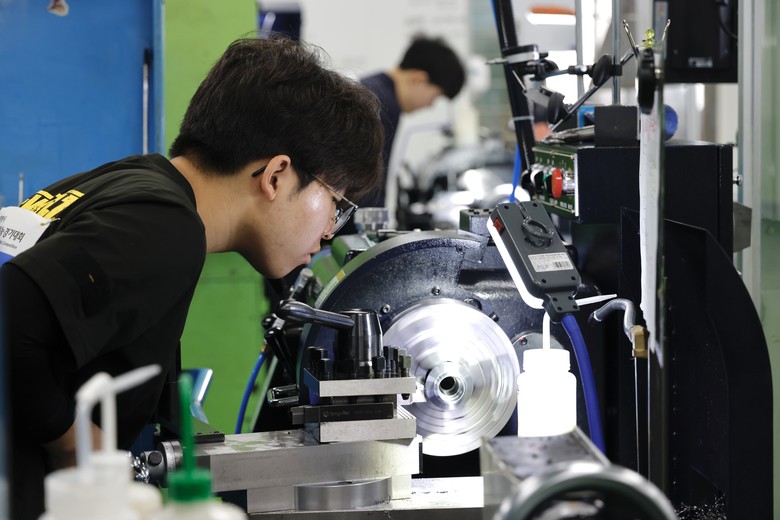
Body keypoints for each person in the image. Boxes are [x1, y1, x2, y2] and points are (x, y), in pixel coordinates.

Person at [0, 36, 383, 520]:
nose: (330, 230)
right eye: (336, 203)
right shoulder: (167, 226)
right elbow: (8, 317)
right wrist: (75, 444)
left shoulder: (131, 179)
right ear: (276, 175)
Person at [357, 35, 465, 209]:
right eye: (435, 97)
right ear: (419, 79)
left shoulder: (373, 89)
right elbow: (368, 186)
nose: (430, 105)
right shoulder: (382, 102)